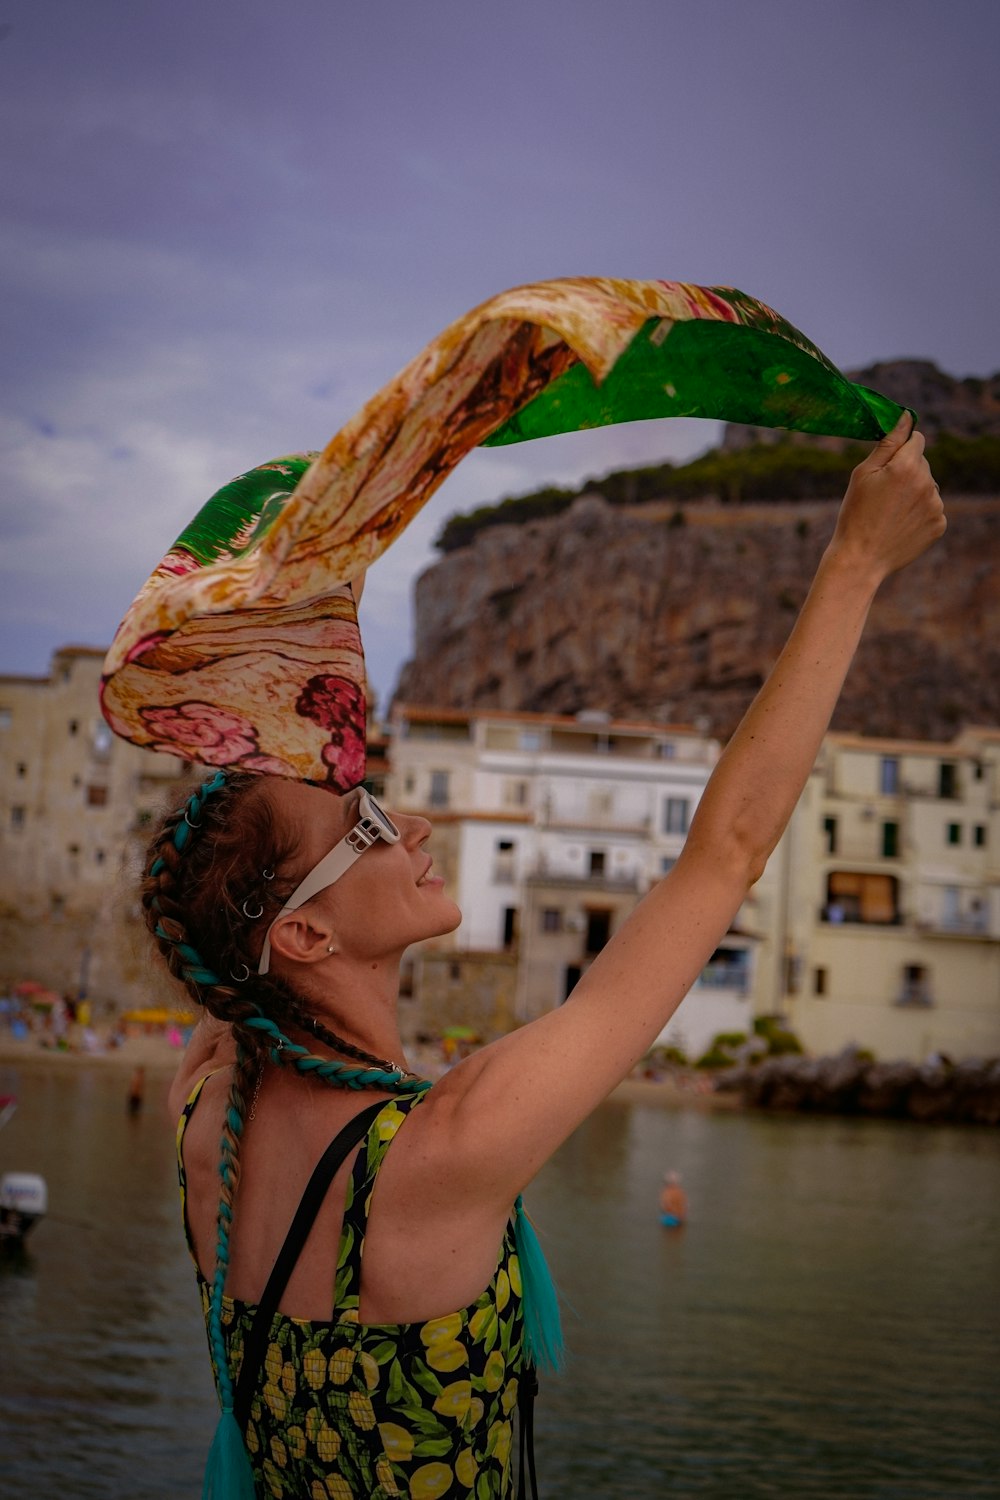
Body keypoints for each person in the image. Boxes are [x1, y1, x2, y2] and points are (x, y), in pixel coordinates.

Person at [154, 414, 943, 1499]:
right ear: (303, 933)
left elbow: (219, 956)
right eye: (368, 829)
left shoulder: (205, 1118)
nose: (414, 828)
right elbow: (724, 857)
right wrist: (856, 563)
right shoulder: (445, 1150)